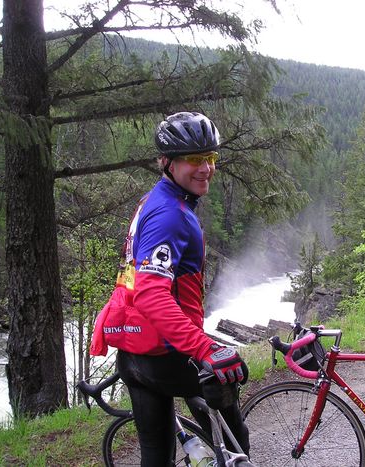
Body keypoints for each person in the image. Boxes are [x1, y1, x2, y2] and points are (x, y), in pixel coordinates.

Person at [92, 112, 249, 466]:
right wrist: (205, 347)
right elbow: (151, 293)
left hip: (135, 352)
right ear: (166, 162)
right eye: (194, 159)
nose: (206, 168)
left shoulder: (153, 201)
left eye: (210, 157)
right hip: (164, 354)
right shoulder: (170, 215)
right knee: (237, 442)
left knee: (155, 455)